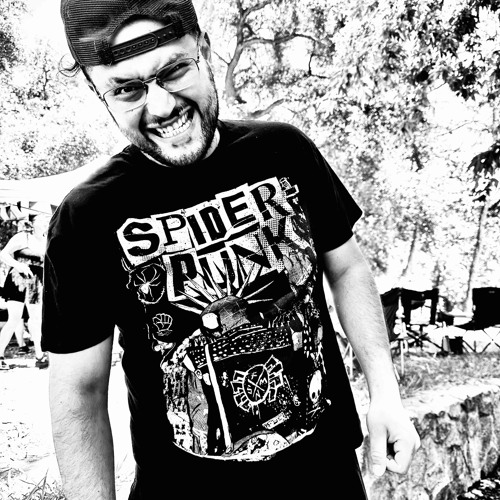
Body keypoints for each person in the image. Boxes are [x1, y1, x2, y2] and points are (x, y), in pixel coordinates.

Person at [43, 1, 421, 498]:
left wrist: (385, 392)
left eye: (174, 70)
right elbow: (79, 390)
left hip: (327, 478)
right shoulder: (85, 217)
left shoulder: (285, 151)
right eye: (127, 89)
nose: (161, 107)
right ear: (100, 94)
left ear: (204, 49)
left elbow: (347, 267)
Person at [0, 207, 51, 370]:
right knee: (14, 319)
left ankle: (40, 356)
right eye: (41, 220)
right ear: (33, 223)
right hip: (18, 279)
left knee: (36, 319)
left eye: (46, 220)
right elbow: (3, 254)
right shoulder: (23, 237)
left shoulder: (47, 239)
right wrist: (19, 265)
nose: (45, 223)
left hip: (36, 283)